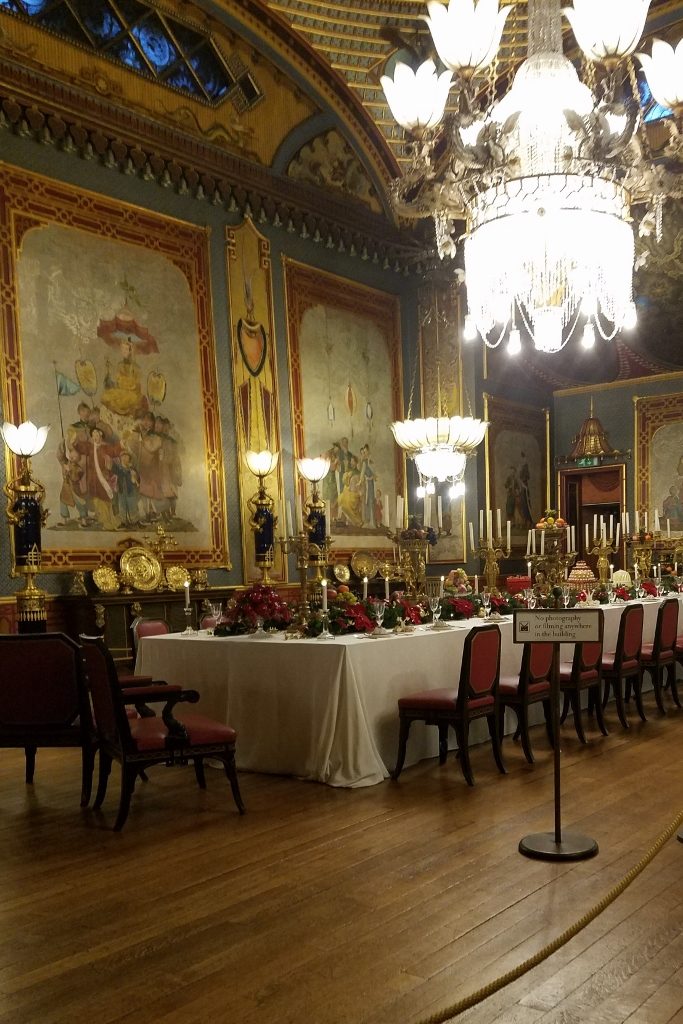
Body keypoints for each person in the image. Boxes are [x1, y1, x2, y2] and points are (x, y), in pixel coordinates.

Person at [359, 443, 377, 527]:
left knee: (370, 500)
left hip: (371, 484)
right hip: (366, 484)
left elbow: (375, 475)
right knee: (366, 501)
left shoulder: (370, 462)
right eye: (363, 452)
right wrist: (360, 482)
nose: (365, 454)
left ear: (368, 452)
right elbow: (362, 474)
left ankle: (372, 522)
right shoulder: (364, 462)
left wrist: (371, 478)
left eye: (365, 452)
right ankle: (367, 521)